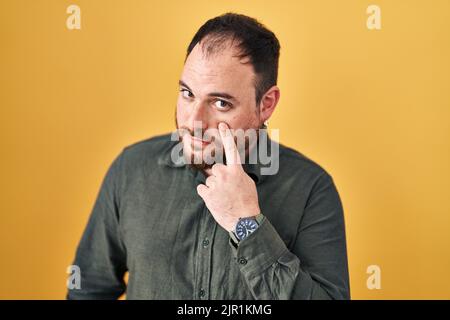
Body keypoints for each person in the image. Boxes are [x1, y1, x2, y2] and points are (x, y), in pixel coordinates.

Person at [67, 12, 350, 300]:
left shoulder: (311, 188)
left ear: (266, 104)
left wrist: (247, 224)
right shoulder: (132, 169)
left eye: (220, 102)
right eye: (187, 93)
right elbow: (88, 290)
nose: (193, 121)